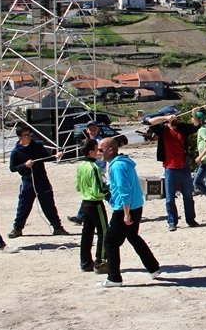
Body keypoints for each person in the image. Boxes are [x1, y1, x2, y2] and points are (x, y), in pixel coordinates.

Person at [100, 137, 161, 287]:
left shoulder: (117, 166)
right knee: (133, 236)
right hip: (136, 206)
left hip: (125, 209)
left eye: (101, 150)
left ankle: (114, 278)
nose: (98, 153)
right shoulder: (123, 162)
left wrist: (126, 214)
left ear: (110, 150)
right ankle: (153, 267)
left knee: (110, 242)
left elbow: (124, 190)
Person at [8, 124, 69, 238]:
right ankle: (17, 228)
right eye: (26, 135)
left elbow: (46, 157)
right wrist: (24, 165)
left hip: (42, 179)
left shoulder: (37, 145)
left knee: (49, 204)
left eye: (30, 134)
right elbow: (12, 168)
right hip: (28, 181)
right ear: (19, 137)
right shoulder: (16, 152)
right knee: (23, 206)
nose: (29, 137)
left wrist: (56, 156)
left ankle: (57, 227)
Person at [148, 112, 200, 231]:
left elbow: (196, 126)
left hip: (184, 168)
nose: (176, 118)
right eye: (173, 116)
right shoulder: (163, 129)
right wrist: (166, 118)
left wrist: (194, 114)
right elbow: (149, 121)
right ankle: (172, 222)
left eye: (177, 116)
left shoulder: (183, 128)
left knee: (188, 196)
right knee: (170, 198)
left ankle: (190, 219)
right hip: (170, 169)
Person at [75, 138, 109, 273]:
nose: (99, 152)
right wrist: (108, 187)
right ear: (91, 152)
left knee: (87, 233)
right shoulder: (94, 168)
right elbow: (99, 189)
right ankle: (100, 262)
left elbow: (78, 186)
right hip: (95, 203)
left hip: (85, 202)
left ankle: (85, 262)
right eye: (97, 150)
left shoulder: (81, 166)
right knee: (104, 232)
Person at [68, 120, 104, 226]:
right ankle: (80, 217)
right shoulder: (87, 141)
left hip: (99, 171)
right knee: (88, 195)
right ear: (87, 130)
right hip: (90, 170)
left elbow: (102, 154)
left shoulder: (100, 141)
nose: (92, 130)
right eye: (90, 129)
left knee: (105, 193)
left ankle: (122, 211)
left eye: (94, 128)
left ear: (97, 128)